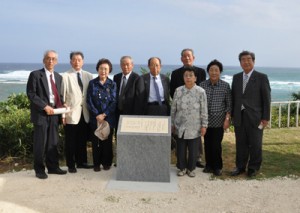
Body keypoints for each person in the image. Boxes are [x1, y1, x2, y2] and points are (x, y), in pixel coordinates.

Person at [26, 50, 67, 179]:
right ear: (44, 60)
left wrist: (63, 107)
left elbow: (58, 96)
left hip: (54, 114)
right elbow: (31, 94)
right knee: (40, 143)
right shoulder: (35, 75)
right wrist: (44, 106)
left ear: (56, 61)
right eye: (48, 58)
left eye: (53, 59)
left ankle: (53, 167)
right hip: (41, 114)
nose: (50, 61)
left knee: (53, 143)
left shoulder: (59, 77)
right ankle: (39, 170)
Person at [231, 50, 271, 177]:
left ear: (253, 61)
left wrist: (265, 117)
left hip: (255, 117)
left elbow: (266, 99)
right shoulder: (236, 77)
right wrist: (231, 115)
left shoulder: (261, 77)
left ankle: (253, 167)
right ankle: (240, 167)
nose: (246, 62)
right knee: (240, 143)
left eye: (248, 59)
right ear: (240, 62)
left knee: (255, 144)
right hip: (239, 116)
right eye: (243, 60)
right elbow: (234, 97)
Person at [170, 48, 207, 168]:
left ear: (193, 57)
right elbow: (172, 91)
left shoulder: (201, 72)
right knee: (180, 139)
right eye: (184, 56)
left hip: (196, 112)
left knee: (195, 139)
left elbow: (202, 88)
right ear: (181, 58)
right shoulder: (176, 73)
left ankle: (197, 159)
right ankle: (180, 163)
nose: (187, 58)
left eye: (189, 56)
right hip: (181, 110)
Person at [61, 51, 93, 173]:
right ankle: (71, 164)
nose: (77, 62)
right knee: (70, 142)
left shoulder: (89, 76)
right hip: (71, 115)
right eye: (74, 60)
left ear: (83, 61)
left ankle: (82, 162)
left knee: (82, 140)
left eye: (79, 60)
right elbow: (63, 98)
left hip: (85, 114)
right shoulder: (66, 76)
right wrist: (63, 115)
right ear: (70, 62)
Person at [200, 59, 232, 176]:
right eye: (211, 70)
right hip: (205, 121)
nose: (214, 72)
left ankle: (217, 166)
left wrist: (227, 119)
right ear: (208, 71)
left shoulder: (225, 86)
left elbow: (229, 104)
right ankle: (208, 165)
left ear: (220, 72)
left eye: (216, 70)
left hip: (219, 121)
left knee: (216, 145)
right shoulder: (202, 85)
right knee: (207, 143)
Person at [86, 58, 117, 172]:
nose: (103, 71)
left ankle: (106, 163)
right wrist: (97, 115)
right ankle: (96, 164)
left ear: (109, 70)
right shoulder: (92, 83)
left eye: (106, 69)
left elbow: (114, 101)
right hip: (95, 119)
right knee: (96, 142)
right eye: (101, 68)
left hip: (108, 119)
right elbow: (89, 101)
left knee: (107, 142)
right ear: (97, 69)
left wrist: (104, 114)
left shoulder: (112, 84)